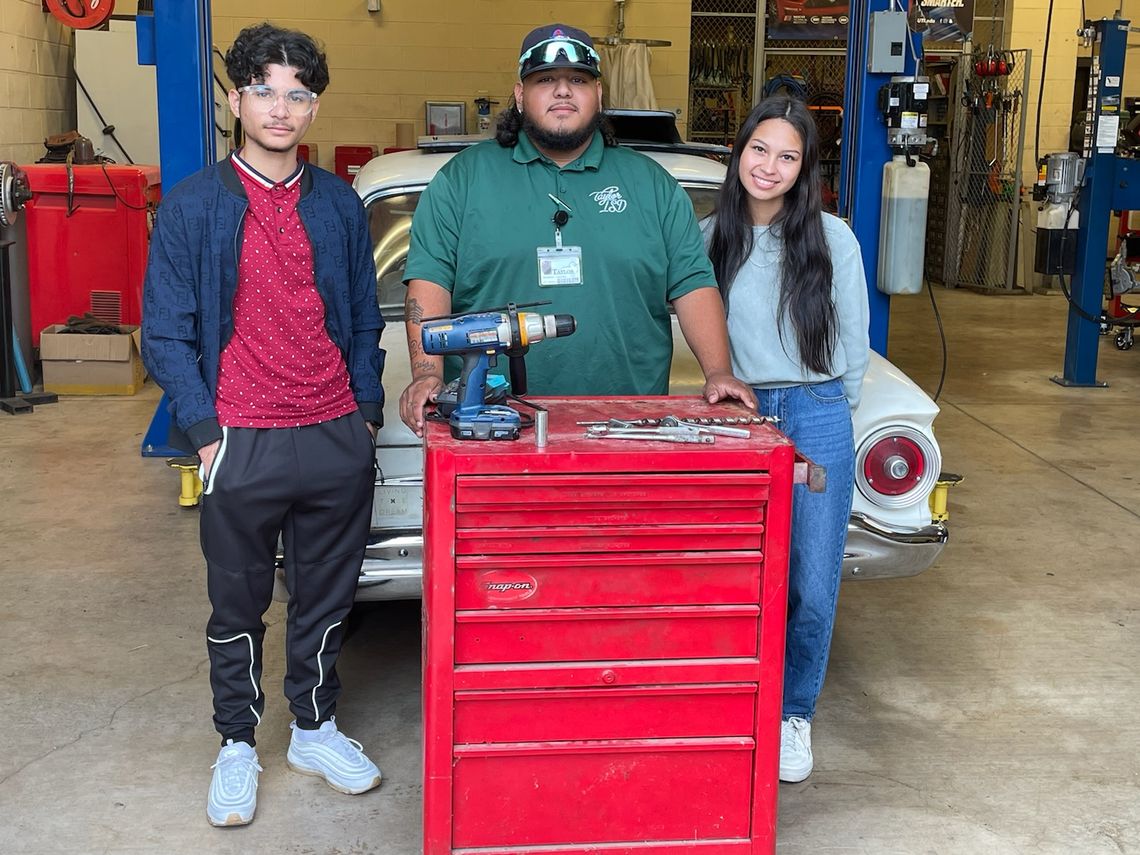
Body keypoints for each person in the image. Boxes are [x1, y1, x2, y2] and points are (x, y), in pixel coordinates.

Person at [141, 23, 385, 827]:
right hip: (240, 436)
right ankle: (237, 743)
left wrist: (364, 415)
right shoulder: (193, 208)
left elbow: (360, 322)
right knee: (236, 603)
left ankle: (313, 728)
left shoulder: (340, 205)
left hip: (331, 433)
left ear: (313, 108)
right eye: (265, 90)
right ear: (238, 99)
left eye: (298, 94)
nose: (281, 108)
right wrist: (208, 431)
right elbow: (167, 332)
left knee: (325, 597)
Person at [399, 23, 754, 432]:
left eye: (578, 80)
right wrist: (427, 373)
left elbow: (693, 284)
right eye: (545, 79)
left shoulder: (651, 185)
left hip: (631, 426)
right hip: (491, 425)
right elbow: (429, 280)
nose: (563, 91)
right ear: (519, 95)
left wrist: (718, 372)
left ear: (599, 95)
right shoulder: (462, 180)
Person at [703, 96, 870, 783]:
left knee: (810, 578)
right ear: (739, 152)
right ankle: (731, 699)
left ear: (805, 169)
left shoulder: (834, 239)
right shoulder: (709, 236)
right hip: (737, 416)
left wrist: (832, 416)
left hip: (816, 410)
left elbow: (855, 345)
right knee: (733, 574)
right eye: (759, 149)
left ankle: (792, 713)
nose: (768, 166)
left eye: (787, 156)